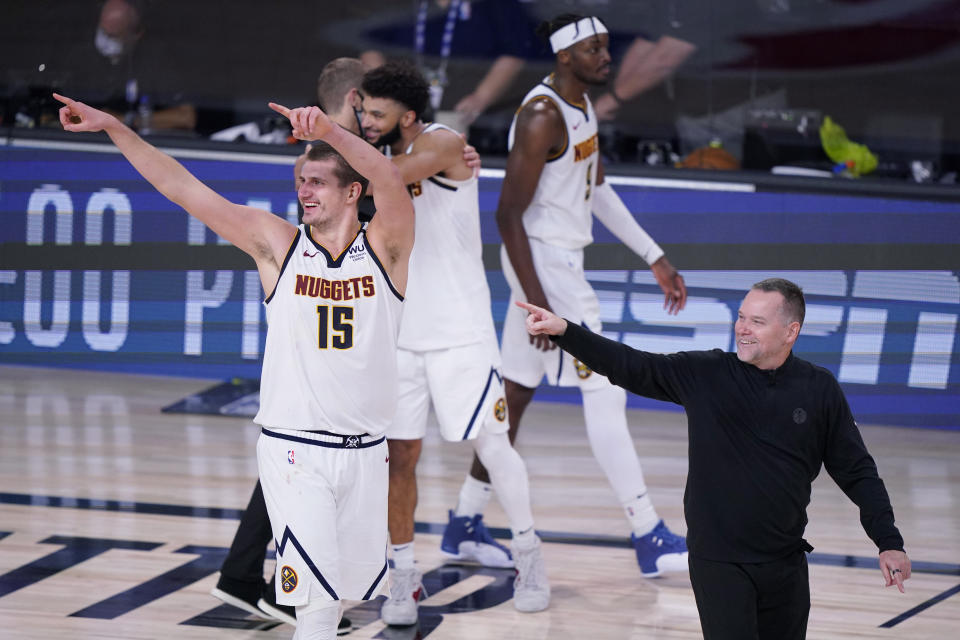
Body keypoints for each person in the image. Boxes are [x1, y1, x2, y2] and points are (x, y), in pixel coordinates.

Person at [54, 90, 415, 640]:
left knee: (337, 606)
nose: (304, 191)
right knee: (315, 610)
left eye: (317, 182)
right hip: (296, 450)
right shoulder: (278, 246)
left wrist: (330, 133)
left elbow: (391, 181)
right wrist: (115, 129)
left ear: (351, 193)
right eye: (300, 181)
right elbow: (182, 189)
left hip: (366, 454)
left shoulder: (386, 249)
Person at [516, 277, 912, 640]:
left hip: (787, 563)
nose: (741, 328)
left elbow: (857, 471)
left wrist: (888, 541)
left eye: (756, 321)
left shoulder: (818, 389)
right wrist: (565, 331)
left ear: (791, 331)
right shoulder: (706, 374)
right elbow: (631, 366)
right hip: (720, 564)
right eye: (741, 317)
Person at [445, 13, 691, 579]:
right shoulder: (540, 116)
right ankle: (648, 533)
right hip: (543, 268)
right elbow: (507, 215)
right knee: (608, 392)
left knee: (517, 393)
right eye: (594, 49)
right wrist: (539, 305)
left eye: (607, 45)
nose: (607, 56)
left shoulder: (581, 106)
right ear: (564, 57)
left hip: (552, 266)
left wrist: (652, 254)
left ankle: (463, 522)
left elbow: (595, 186)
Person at [359, 61, 549, 625]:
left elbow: (386, 177)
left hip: (461, 335)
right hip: (401, 335)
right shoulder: (378, 154)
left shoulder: (444, 144)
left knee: (493, 446)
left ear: (409, 116)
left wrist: (335, 134)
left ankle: (530, 558)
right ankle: (401, 578)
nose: (367, 122)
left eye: (377, 114)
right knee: (399, 459)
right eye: (362, 112)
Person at [210, 56, 371, 635]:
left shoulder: (342, 149)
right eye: (371, 99)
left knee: (302, 447)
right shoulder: (336, 157)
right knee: (303, 444)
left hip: (349, 319)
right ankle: (267, 578)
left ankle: (253, 574)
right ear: (353, 97)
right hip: (324, 312)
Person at [69, 0, 196, 132]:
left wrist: (124, 120)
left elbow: (186, 117)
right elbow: (62, 114)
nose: (105, 41)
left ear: (137, 34)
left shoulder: (156, 60)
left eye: (113, 36)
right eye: (102, 31)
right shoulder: (81, 56)